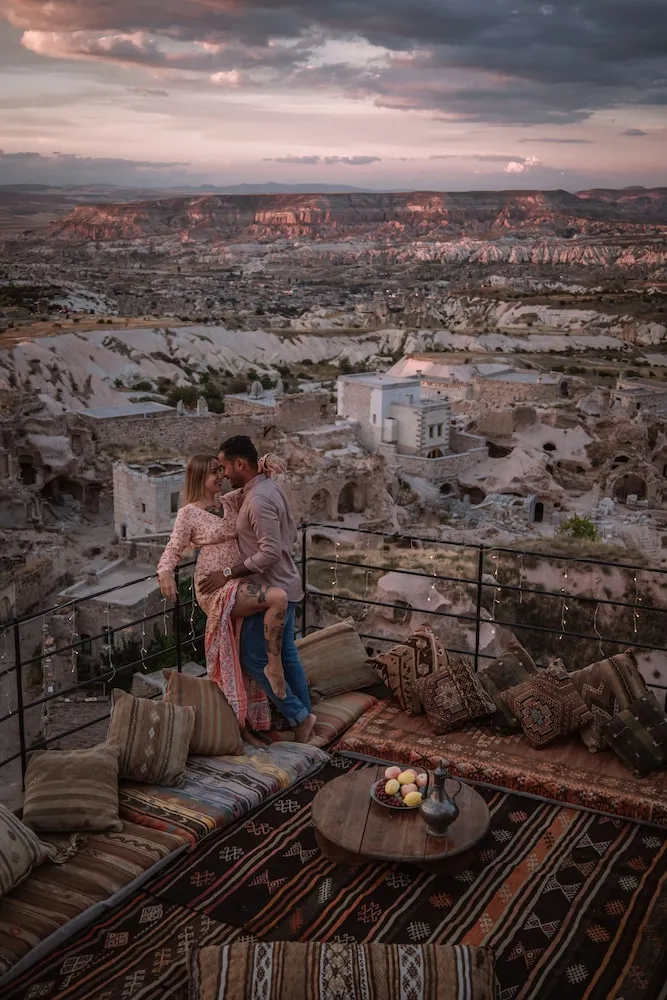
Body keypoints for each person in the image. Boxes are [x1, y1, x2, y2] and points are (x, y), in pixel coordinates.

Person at [157, 453, 288, 744]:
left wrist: (264, 461)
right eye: (214, 472)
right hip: (214, 586)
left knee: (240, 655)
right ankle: (274, 667)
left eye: (220, 470)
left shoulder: (229, 501)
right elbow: (173, 548)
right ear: (198, 477)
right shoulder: (188, 513)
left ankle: (246, 728)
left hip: (238, 579)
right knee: (278, 598)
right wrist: (165, 572)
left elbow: (252, 483)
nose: (220, 476)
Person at [200, 435, 317, 745]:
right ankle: (305, 719)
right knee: (287, 655)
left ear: (240, 463)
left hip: (272, 589)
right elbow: (288, 533)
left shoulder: (259, 498)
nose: (223, 473)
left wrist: (226, 572)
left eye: (225, 466)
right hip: (286, 583)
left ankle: (300, 717)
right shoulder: (265, 488)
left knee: (253, 657)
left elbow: (270, 552)